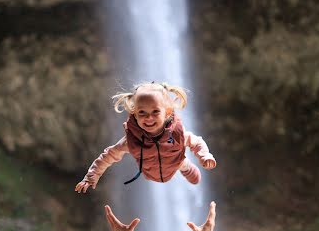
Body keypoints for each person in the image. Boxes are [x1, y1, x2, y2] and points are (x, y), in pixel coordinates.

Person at [75, 82, 216, 192]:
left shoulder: (176, 133)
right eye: (142, 112)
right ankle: (184, 166)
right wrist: (91, 176)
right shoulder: (130, 141)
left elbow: (196, 142)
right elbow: (107, 156)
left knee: (181, 162)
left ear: (167, 112)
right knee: (172, 163)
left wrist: (204, 156)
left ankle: (186, 167)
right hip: (149, 172)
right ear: (134, 114)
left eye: (155, 111)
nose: (149, 117)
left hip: (175, 163)